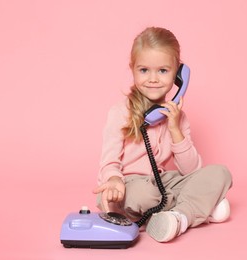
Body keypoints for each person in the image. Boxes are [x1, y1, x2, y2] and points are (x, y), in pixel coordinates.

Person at [93, 26, 232, 243]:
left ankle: (179, 218)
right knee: (145, 195)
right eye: (144, 70)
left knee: (220, 173)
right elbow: (109, 161)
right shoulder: (120, 112)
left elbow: (191, 171)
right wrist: (113, 181)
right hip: (126, 188)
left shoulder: (178, 116)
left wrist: (175, 128)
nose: (153, 79)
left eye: (163, 71)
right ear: (132, 69)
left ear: (178, 74)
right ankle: (196, 208)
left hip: (160, 183)